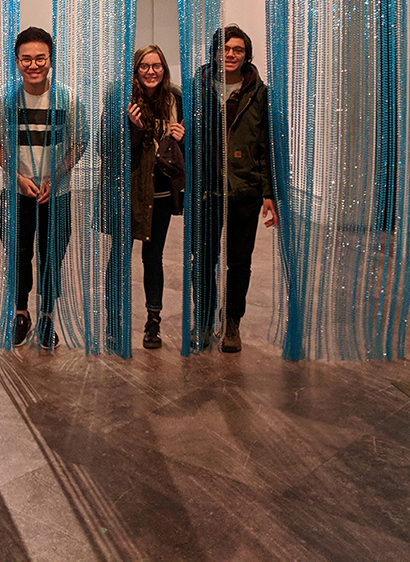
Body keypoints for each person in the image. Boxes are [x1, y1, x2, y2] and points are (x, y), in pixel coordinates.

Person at [0, 26, 86, 350]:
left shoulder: (68, 97)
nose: (33, 65)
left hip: (55, 193)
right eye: (26, 59)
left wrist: (54, 177)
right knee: (18, 254)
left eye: (40, 58)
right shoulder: (2, 98)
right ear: (17, 61)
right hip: (16, 194)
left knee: (51, 256)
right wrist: (18, 177)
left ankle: (46, 316)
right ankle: (20, 313)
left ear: (50, 59)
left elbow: (79, 141)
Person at [194, 25, 278, 353]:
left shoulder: (260, 93)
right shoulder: (197, 89)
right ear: (214, 52)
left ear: (247, 54)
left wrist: (269, 193)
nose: (231, 55)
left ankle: (232, 323)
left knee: (239, 262)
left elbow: (267, 146)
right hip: (207, 189)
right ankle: (202, 320)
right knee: (202, 259)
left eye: (238, 50)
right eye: (225, 48)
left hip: (245, 189)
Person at [97, 45, 185, 355]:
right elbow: (104, 147)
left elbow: (182, 155)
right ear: (135, 70)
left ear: (164, 68)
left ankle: (153, 321)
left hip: (160, 194)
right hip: (129, 192)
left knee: (153, 258)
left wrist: (181, 139)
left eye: (157, 65)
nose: (151, 71)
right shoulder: (120, 98)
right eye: (144, 66)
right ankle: (112, 321)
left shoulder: (175, 99)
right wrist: (132, 129)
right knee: (118, 257)